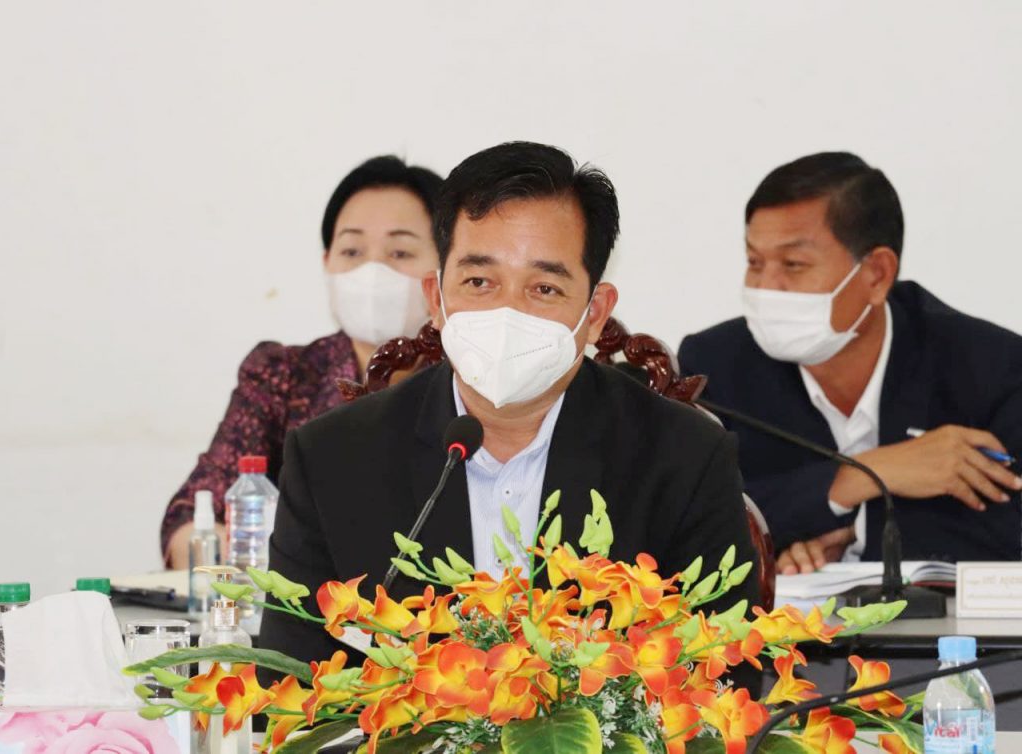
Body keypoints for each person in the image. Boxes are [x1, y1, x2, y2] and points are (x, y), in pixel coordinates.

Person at [260, 141, 759, 665]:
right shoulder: (332, 458)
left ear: (595, 313)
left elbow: (721, 675)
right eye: (479, 282)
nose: (507, 312)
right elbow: (290, 683)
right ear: (436, 299)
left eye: (544, 289)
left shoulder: (684, 457)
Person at [679, 152, 1022, 574]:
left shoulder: (991, 366)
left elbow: (1011, 529)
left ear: (877, 274)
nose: (766, 287)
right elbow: (694, 518)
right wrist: (860, 477)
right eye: (755, 262)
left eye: (793, 264)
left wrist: (857, 531)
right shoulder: (714, 365)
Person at [161, 156, 443, 567]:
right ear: (327, 263)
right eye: (352, 250)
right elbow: (188, 519)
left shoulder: (470, 380)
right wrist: (245, 551)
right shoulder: (282, 375)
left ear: (446, 270)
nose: (372, 271)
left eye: (400, 252)